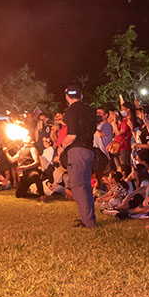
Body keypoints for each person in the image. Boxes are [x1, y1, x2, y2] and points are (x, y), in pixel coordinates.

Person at [60, 86, 97, 229]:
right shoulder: (90, 110)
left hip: (77, 150)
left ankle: (88, 222)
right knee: (86, 186)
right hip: (89, 149)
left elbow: (72, 135)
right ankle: (89, 218)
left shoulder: (70, 111)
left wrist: (61, 147)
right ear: (81, 96)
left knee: (77, 186)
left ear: (67, 97)